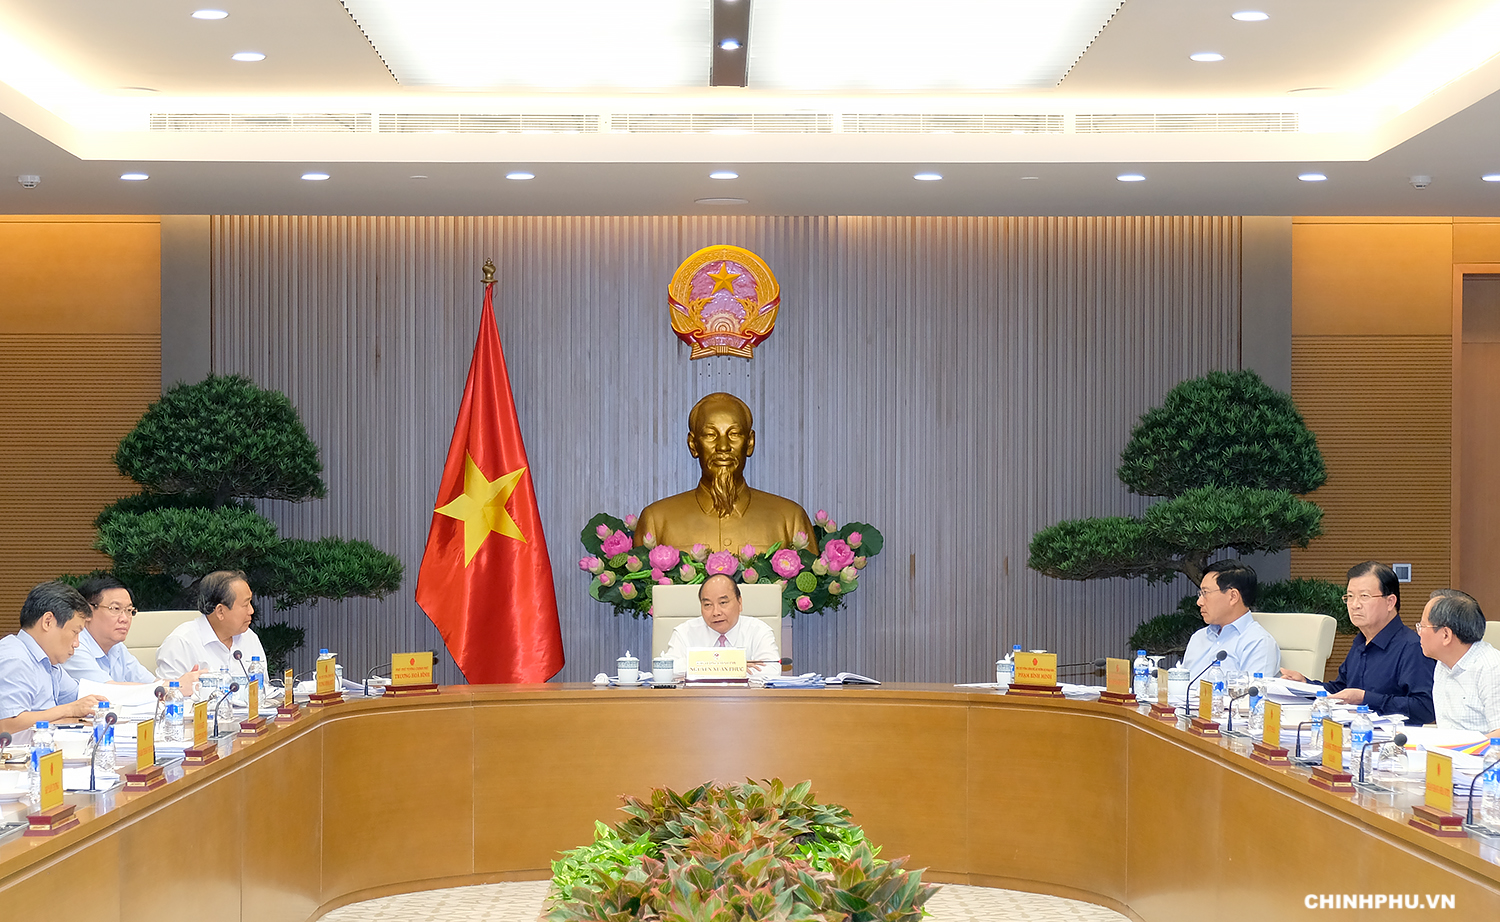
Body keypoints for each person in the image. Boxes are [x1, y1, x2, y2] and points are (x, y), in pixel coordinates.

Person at [635, 393, 817, 554]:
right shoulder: (657, 520)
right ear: (693, 444)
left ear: (750, 442)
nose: (723, 447)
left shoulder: (790, 519)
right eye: (710, 435)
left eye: (734, 434)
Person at [1279, 561, 1434, 724]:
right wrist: (1305, 685)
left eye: (1364, 596)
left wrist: (1365, 699)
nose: (1354, 605)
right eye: (1350, 597)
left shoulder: (1412, 647)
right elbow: (1341, 690)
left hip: (1393, 737)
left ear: (1390, 602)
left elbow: (1425, 708)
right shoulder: (1361, 642)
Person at [0, 581, 104, 735]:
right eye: (75, 632)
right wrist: (68, 710)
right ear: (48, 622)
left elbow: (79, 697)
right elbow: (7, 725)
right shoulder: (15, 659)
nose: (77, 643)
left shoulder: (48, 661)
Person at [62, 575, 201, 689]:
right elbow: (107, 691)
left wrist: (187, 683)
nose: (124, 619)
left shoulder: (117, 647)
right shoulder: (73, 646)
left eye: (129, 610)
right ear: (87, 611)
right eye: (115, 609)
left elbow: (150, 683)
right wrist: (177, 687)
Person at [154, 570, 268, 682]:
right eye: (245, 604)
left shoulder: (249, 637)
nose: (251, 611)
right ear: (220, 611)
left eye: (250, 603)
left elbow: (264, 688)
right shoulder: (181, 643)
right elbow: (167, 692)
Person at [1417, 589, 1500, 737]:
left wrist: (1463, 747)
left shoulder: (1491, 669)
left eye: (1423, 626)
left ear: (1446, 635)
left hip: (1479, 751)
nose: (1419, 632)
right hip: (1447, 749)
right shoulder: (1443, 663)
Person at [664, 574, 780, 679]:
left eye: (723, 603)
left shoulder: (759, 631)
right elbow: (666, 670)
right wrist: (728, 665)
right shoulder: (685, 632)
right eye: (708, 605)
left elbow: (772, 670)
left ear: (739, 603)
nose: (716, 612)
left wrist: (701, 669)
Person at [1180, 559, 1280, 681]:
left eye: (1205, 593)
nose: (1199, 602)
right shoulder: (1199, 637)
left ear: (1233, 596)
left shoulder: (1258, 643)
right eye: (1200, 594)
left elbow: (1253, 692)